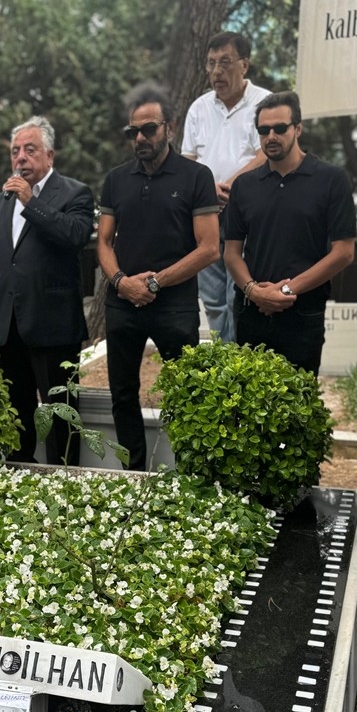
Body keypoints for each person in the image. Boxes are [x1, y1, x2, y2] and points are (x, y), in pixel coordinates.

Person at [98, 83, 219, 471]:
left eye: (148, 129)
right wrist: (122, 283)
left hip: (174, 305)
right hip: (123, 302)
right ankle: (132, 474)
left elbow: (209, 248)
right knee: (122, 394)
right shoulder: (116, 180)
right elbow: (102, 241)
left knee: (187, 393)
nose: (140, 138)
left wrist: (154, 283)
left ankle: (190, 474)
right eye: (132, 132)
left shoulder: (197, 176)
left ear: (170, 126)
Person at [0, 116, 95, 465]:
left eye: (30, 150)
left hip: (53, 326)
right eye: (15, 151)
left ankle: (67, 482)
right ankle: (19, 476)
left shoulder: (74, 193)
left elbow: (75, 236)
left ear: (50, 156)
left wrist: (31, 201)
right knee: (17, 414)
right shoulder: (1, 201)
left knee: (61, 415)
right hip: (8, 327)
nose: (21, 158)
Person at [223, 91, 355, 376]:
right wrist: (254, 291)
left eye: (280, 128)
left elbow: (344, 252)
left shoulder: (331, 180)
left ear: (298, 128)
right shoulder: (244, 186)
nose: (271, 136)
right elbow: (231, 253)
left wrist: (285, 291)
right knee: (249, 409)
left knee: (299, 411)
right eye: (263, 130)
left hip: (303, 312)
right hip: (251, 311)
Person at [181, 32, 272, 344]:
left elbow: (267, 153)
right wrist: (204, 190)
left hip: (247, 212)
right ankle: (224, 356)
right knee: (212, 296)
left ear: (244, 65)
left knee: (240, 291)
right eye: (210, 65)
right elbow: (188, 160)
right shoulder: (198, 108)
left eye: (224, 63)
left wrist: (234, 182)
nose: (216, 72)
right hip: (205, 213)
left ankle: (243, 360)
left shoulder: (264, 103)